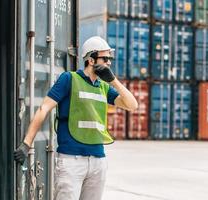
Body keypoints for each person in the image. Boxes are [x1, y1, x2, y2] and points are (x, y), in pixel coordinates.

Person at [14, 36, 138, 200]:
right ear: (91, 60)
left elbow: (132, 105)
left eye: (110, 59)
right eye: (105, 58)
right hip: (71, 161)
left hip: (98, 162)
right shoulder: (69, 79)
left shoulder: (104, 88)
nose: (109, 63)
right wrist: (26, 144)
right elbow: (44, 109)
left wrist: (113, 81)